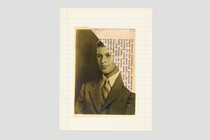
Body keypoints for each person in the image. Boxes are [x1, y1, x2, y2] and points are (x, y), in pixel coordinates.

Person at [75, 40, 135, 115]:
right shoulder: (86, 88)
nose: (103, 61)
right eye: (99, 56)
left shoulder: (132, 88)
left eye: (108, 55)